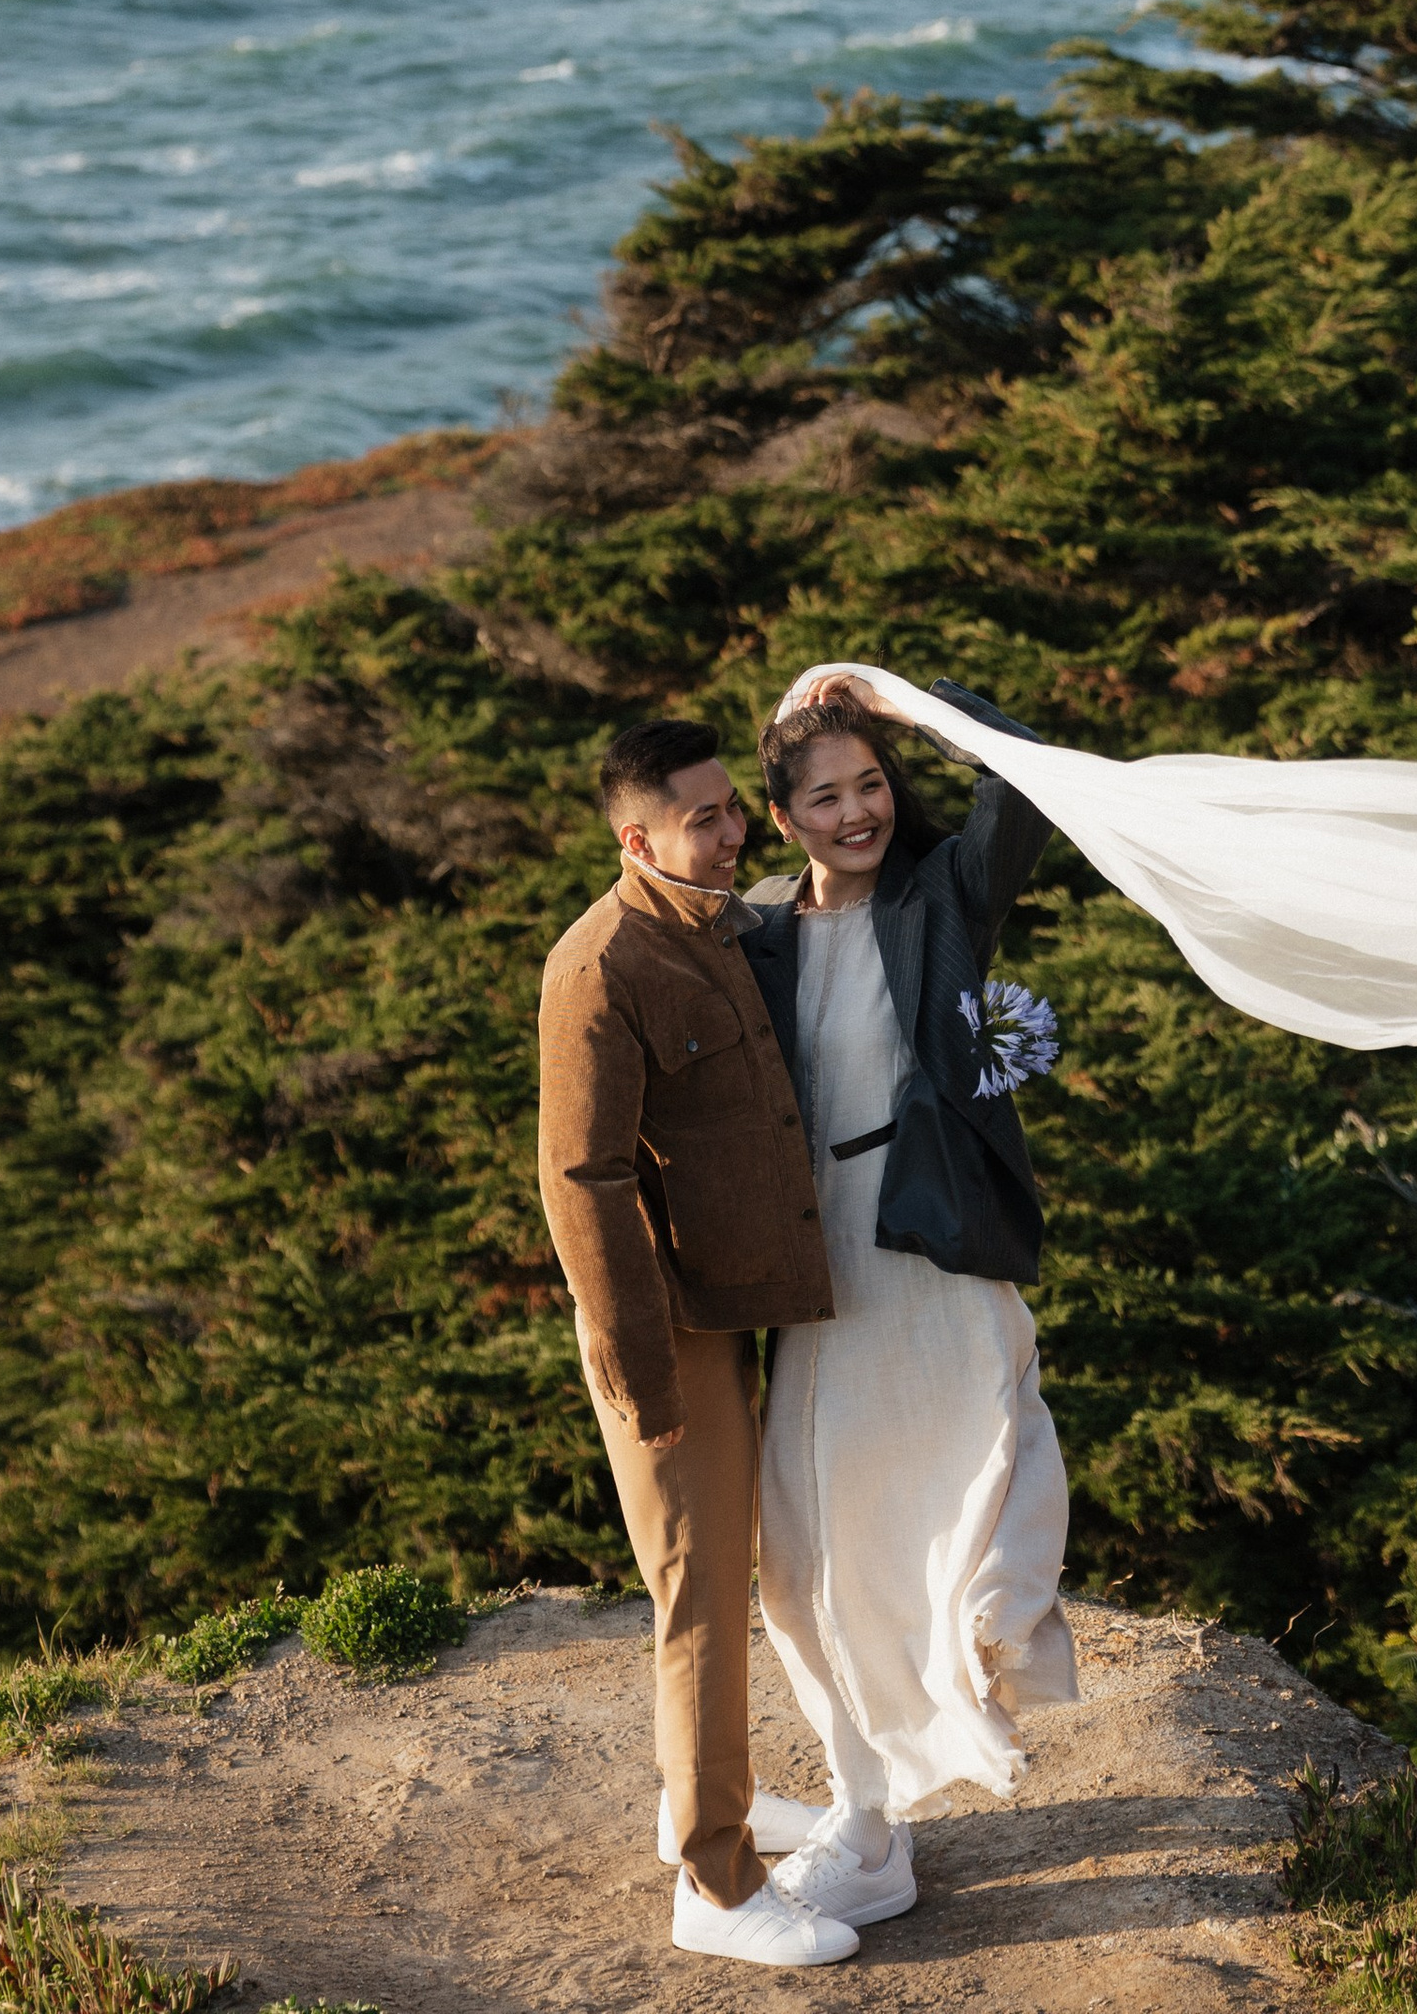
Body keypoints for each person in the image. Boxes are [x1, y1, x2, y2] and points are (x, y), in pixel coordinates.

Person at [734, 676, 1081, 1933]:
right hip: (805, 1263)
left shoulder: (942, 897)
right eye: (823, 795)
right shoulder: (758, 927)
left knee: (925, 1511)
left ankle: (872, 1830)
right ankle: (855, 1784)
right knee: (800, 1543)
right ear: (782, 818)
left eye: (870, 782)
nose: (855, 812)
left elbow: (1026, 770)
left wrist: (911, 701)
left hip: (922, 1245)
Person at [536, 718, 863, 1967]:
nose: (735, 834)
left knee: (750, 1574)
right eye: (705, 821)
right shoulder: (601, 966)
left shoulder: (726, 921)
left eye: (735, 810)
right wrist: (641, 1376)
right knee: (699, 1595)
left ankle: (702, 1799)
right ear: (637, 839)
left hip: (743, 1310)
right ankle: (716, 1886)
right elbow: (582, 1179)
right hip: (669, 1336)